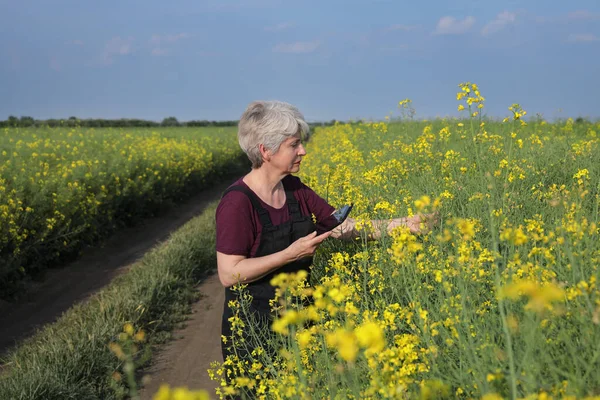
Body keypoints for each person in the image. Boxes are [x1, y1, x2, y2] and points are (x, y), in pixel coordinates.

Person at [215, 100, 435, 381]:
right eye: (294, 145)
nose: (303, 151)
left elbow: (340, 227)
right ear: (265, 151)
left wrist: (405, 224)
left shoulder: (295, 189)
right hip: (254, 332)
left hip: (302, 323)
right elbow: (229, 273)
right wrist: (289, 255)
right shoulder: (237, 203)